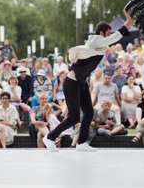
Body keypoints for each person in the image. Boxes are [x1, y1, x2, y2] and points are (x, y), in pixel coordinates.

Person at [43, 9, 133, 152]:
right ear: (102, 33)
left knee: (89, 113)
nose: (108, 38)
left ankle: (82, 143)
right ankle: (49, 138)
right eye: (108, 34)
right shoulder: (95, 40)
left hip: (82, 82)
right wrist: (128, 22)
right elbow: (113, 38)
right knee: (73, 117)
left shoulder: (98, 46)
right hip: (72, 83)